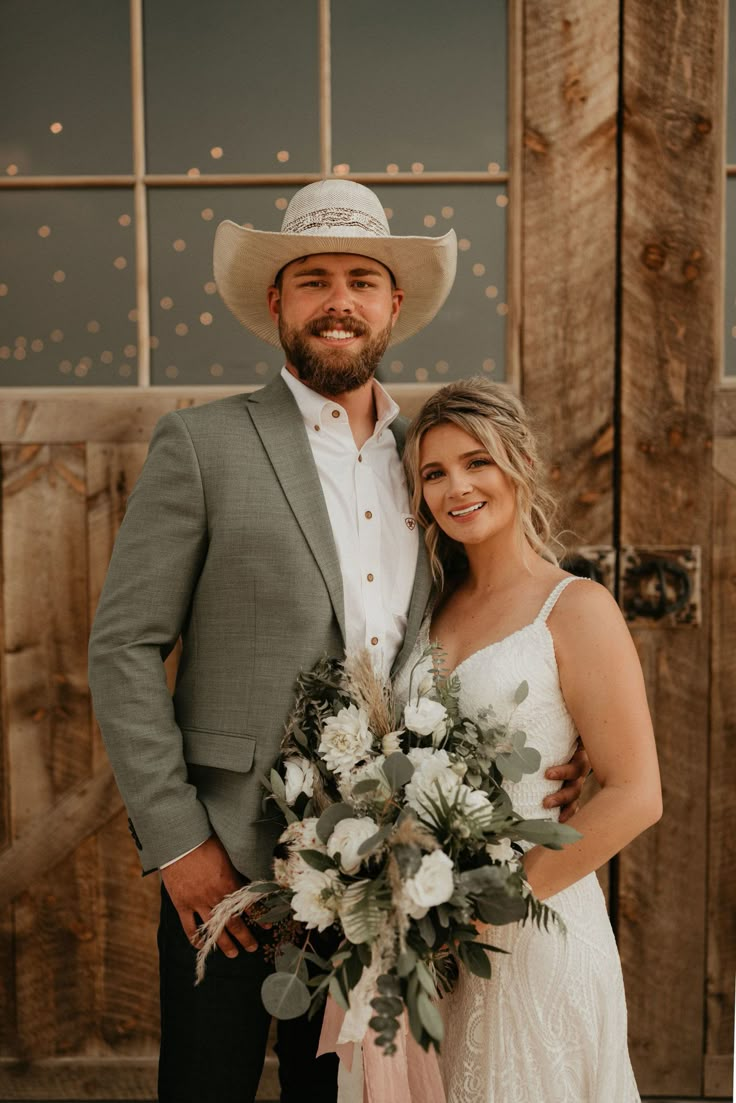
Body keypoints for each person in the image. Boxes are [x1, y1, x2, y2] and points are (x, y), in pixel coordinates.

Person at [87, 181, 588, 1103]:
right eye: (313, 279)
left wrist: (557, 744)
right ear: (277, 303)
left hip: (388, 874)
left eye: (362, 279)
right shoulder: (202, 446)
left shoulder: (432, 459)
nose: (339, 300)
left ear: (393, 304)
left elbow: (488, 617)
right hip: (225, 863)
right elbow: (123, 647)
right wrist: (174, 840)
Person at [398, 378, 663, 1103]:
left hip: (535, 929)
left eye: (476, 461)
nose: (458, 486)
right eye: (434, 472)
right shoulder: (425, 606)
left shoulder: (576, 607)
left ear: (521, 464)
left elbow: (637, 793)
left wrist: (494, 903)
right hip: (430, 943)